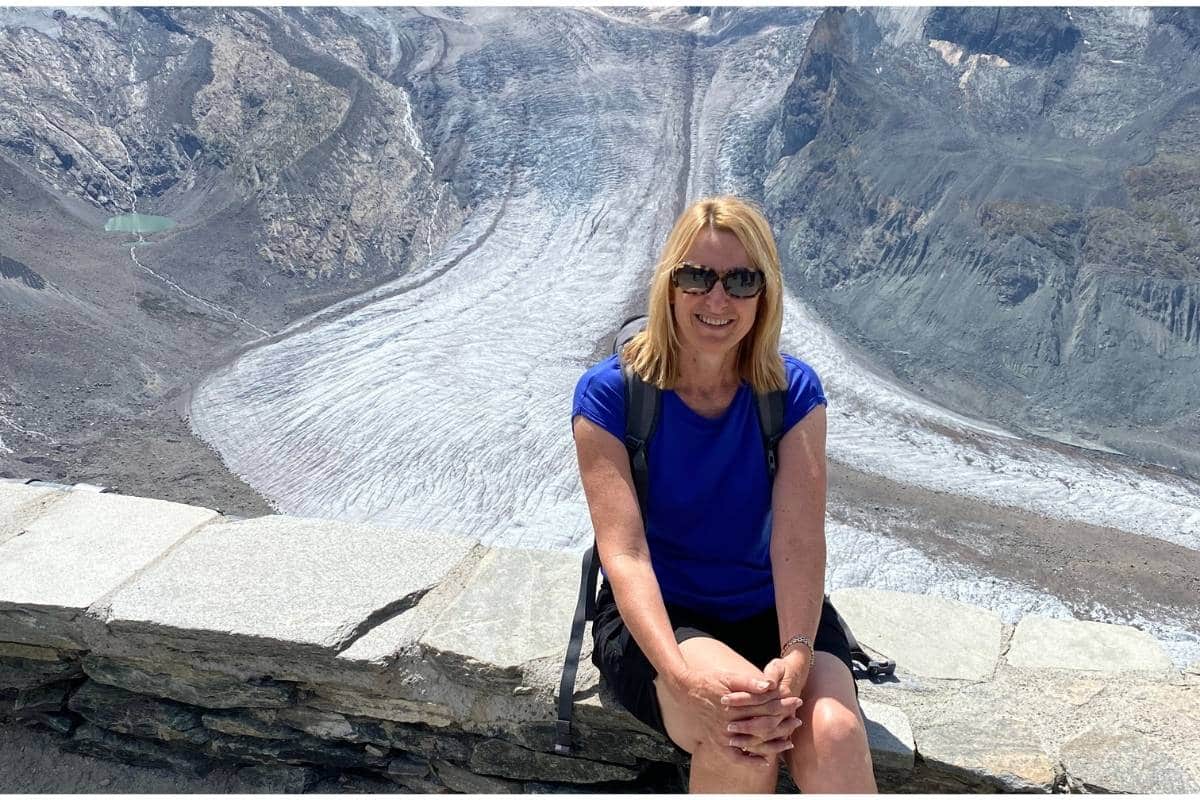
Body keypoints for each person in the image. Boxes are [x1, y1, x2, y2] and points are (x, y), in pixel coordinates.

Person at [571, 195, 876, 793]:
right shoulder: (610, 396)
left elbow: (796, 538)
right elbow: (625, 555)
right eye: (696, 277)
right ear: (669, 285)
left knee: (835, 732)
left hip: (775, 612)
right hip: (664, 619)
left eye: (741, 279)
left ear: (765, 292)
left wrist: (797, 651)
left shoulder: (790, 393)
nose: (718, 299)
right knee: (743, 736)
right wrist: (681, 677)